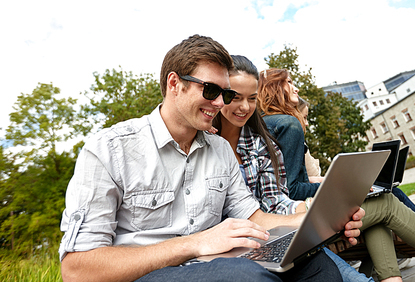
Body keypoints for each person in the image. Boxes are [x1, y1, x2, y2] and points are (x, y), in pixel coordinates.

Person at [58, 35, 369, 282]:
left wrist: (318, 223)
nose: (220, 103)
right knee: (245, 276)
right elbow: (77, 270)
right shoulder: (110, 150)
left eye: (226, 94)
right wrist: (195, 243)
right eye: (210, 90)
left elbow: (254, 219)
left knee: (316, 267)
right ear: (174, 84)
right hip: (147, 274)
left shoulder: (219, 149)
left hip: (214, 267)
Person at [257, 68, 415, 282]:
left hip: (284, 216)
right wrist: (341, 188)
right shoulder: (289, 124)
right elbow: (292, 189)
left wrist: (340, 184)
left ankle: (396, 277)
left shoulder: (267, 124)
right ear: (276, 89)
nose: (295, 87)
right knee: (384, 201)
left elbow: (287, 180)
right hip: (295, 219)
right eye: (289, 82)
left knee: (374, 199)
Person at [212, 55, 375, 282]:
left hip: (271, 237)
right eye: (235, 98)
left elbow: (275, 201)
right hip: (228, 251)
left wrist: (319, 211)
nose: (244, 107)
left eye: (252, 98)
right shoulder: (204, 145)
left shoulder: (261, 144)